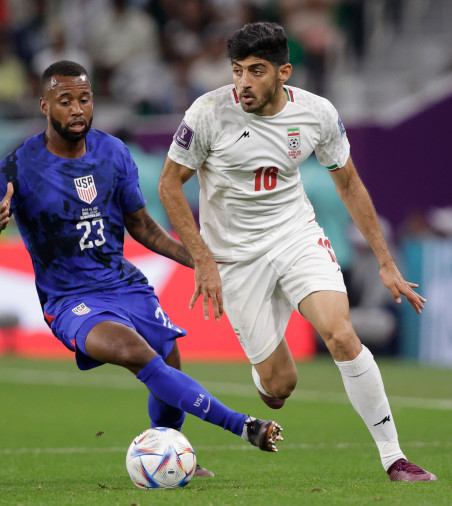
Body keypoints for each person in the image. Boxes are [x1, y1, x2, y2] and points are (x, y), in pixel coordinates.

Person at [0, 60, 283, 477]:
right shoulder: (16, 166)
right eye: (65, 101)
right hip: (70, 299)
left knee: (169, 359)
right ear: (45, 106)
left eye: (84, 99)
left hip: (124, 285)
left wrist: (201, 260)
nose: (77, 109)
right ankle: (242, 425)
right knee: (137, 351)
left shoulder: (113, 153)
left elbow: (142, 227)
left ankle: (169, 455)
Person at [158, 22, 436, 482]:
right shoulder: (207, 113)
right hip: (236, 258)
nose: (242, 83)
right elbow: (169, 186)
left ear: (284, 72)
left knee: (342, 335)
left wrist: (386, 261)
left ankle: (393, 456)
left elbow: (348, 183)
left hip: (295, 235)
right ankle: (266, 372)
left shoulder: (317, 114)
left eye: (256, 71)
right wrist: (204, 259)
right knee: (279, 386)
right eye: (237, 71)